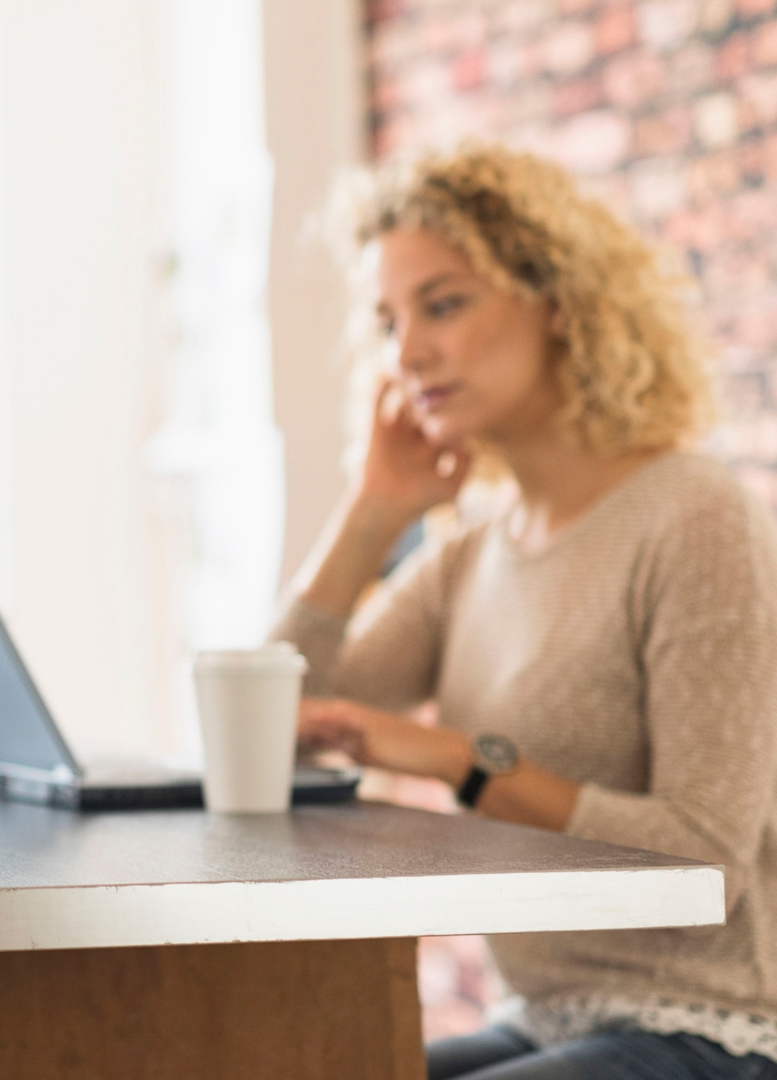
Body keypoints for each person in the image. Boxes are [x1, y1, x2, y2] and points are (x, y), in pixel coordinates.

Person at [274, 143, 777, 1080]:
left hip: (718, 1030)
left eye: (445, 303)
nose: (409, 350)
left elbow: (707, 861)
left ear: (558, 299)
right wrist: (369, 514)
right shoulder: (471, 552)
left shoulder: (695, 516)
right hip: (549, 1019)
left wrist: (463, 762)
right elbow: (269, 722)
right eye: (388, 321)